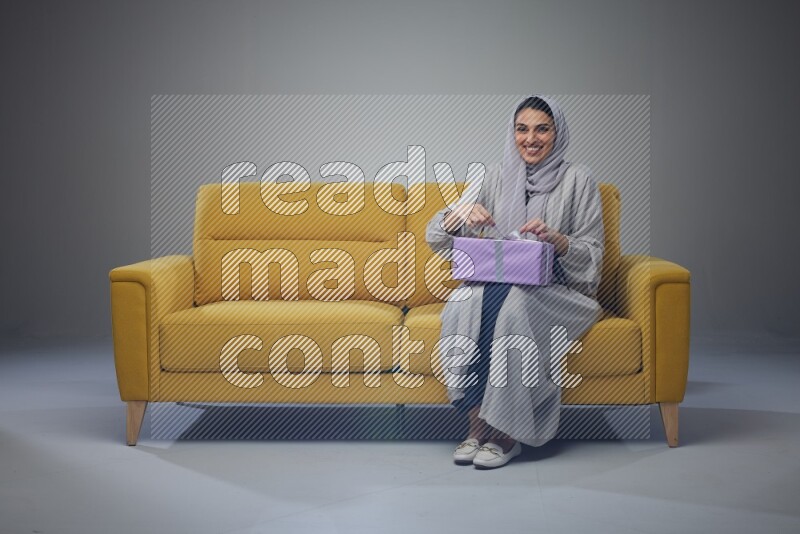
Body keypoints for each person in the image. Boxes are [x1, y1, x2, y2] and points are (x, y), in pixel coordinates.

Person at [425, 95, 605, 469]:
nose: (531, 139)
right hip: (496, 284)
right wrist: (458, 213)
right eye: (522, 129)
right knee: (465, 303)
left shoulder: (578, 179)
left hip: (556, 291)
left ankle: (506, 432)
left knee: (515, 306)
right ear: (513, 133)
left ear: (558, 133)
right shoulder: (495, 175)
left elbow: (593, 256)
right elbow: (437, 238)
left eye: (543, 129)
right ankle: (477, 423)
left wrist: (558, 240)